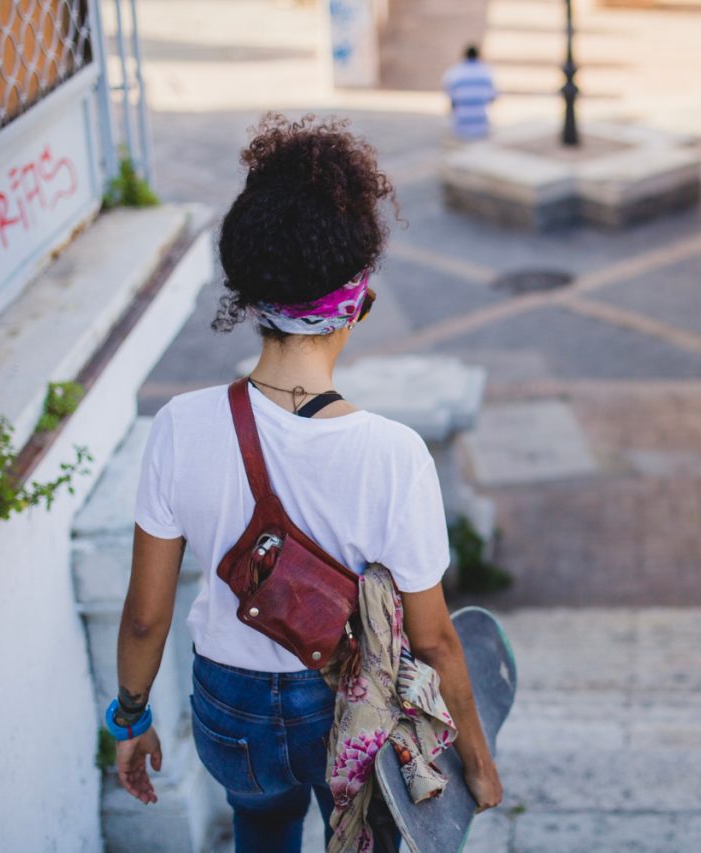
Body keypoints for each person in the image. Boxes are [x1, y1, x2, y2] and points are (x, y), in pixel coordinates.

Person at [108, 113, 503, 851]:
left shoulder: (179, 427)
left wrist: (129, 719)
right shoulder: (394, 454)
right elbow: (436, 639)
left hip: (228, 703)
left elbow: (142, 617)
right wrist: (478, 763)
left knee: (259, 821)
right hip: (345, 710)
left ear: (251, 291)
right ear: (355, 301)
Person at [442, 45, 497, 141]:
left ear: (464, 55)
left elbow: (449, 94)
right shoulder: (486, 72)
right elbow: (493, 97)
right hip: (482, 125)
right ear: (479, 55)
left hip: (459, 126)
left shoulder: (455, 72)